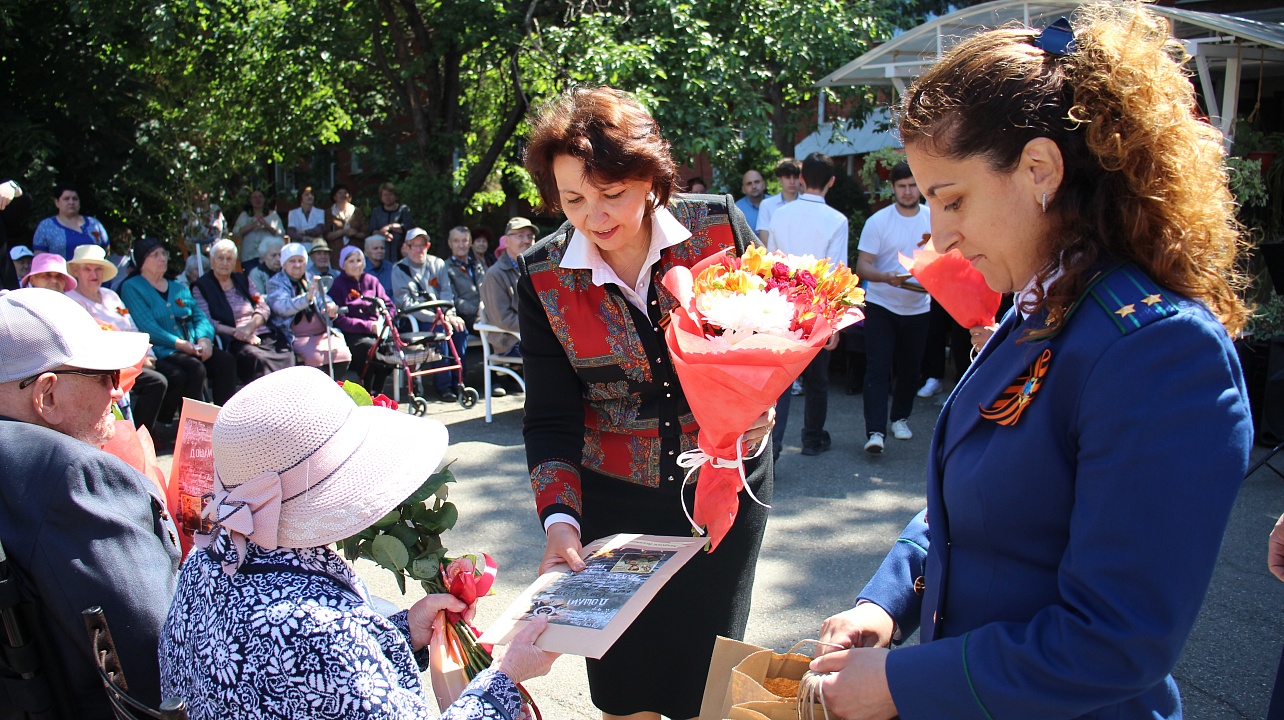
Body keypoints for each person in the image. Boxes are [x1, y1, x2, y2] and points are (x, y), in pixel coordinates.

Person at [811, 8, 1253, 719]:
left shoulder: (1158, 350)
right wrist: (887, 599)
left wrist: (901, 684)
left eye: (951, 200)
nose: (942, 236)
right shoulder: (1042, 304)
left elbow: (1117, 640)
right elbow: (973, 507)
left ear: (1040, 169)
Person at [520, 86, 773, 720]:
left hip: (722, 487)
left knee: (708, 677)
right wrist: (560, 522)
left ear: (649, 177)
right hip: (614, 502)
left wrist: (761, 407)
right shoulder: (544, 274)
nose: (595, 217)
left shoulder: (717, 229)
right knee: (624, 685)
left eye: (612, 194)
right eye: (573, 199)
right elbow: (551, 417)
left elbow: (772, 336)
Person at [158, 366, 558, 720]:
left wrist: (404, 632)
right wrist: (505, 678)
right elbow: (328, 662)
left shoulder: (208, 562)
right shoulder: (320, 629)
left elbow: (318, 689)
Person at [0, 289, 180, 718]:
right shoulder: (74, 478)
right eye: (105, 376)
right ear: (47, 396)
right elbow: (163, 653)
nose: (119, 393)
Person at [766, 152, 848, 459]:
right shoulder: (837, 220)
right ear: (831, 182)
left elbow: (770, 261)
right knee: (817, 379)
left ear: (801, 178)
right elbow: (837, 272)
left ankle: (772, 446)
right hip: (816, 306)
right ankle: (812, 438)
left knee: (780, 381)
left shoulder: (779, 214)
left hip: (781, 302)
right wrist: (835, 323)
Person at [854, 161, 931, 454]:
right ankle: (875, 431)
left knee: (911, 369)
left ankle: (900, 418)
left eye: (913, 185)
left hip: (919, 306)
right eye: (902, 186)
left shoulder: (933, 218)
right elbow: (863, 266)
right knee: (878, 368)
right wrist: (886, 277)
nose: (908, 191)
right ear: (893, 189)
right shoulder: (878, 221)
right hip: (882, 303)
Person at [66, 244, 177, 431]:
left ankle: (157, 432)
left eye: (98, 269)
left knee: (178, 372)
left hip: (133, 357)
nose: (94, 274)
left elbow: (132, 326)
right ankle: (137, 435)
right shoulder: (71, 300)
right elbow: (90, 339)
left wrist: (147, 354)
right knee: (157, 382)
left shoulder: (111, 296)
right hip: (105, 364)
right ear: (76, 271)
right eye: (87, 269)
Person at [120, 236, 238, 406]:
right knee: (194, 368)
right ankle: (191, 425)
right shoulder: (132, 287)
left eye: (163, 254)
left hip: (192, 346)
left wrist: (204, 338)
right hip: (163, 350)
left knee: (225, 361)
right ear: (142, 262)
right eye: (155, 255)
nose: (162, 258)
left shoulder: (177, 286)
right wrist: (180, 344)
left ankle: (225, 418)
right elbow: (147, 326)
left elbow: (199, 316)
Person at [192, 239, 295, 384]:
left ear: (234, 262)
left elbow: (263, 306)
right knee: (257, 358)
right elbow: (207, 321)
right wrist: (239, 333)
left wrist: (249, 328)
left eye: (229, 259)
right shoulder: (201, 287)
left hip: (259, 331)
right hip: (233, 339)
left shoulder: (243, 280)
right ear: (212, 260)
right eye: (220, 258)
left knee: (286, 352)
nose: (225, 263)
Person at [393, 228, 467, 401]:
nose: (419, 250)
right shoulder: (399, 270)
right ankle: (444, 386)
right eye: (414, 246)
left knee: (460, 330)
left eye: (423, 245)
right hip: (418, 319)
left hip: (442, 314)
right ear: (406, 247)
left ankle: (460, 381)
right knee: (439, 335)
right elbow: (406, 305)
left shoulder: (438, 264)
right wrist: (434, 318)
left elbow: (447, 293)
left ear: (428, 246)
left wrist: (449, 314)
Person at [267, 242, 352, 377]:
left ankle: (334, 388)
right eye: (292, 261)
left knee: (343, 354)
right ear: (284, 264)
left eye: (300, 261)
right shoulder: (275, 282)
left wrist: (329, 307)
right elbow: (282, 308)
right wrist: (307, 298)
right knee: (317, 357)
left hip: (321, 333)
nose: (297, 265)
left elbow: (324, 298)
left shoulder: (310, 278)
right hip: (295, 336)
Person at [329, 245, 395, 393]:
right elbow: (339, 319)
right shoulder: (338, 285)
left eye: (359, 260)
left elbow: (390, 306)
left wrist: (383, 322)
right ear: (343, 264)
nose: (356, 265)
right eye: (351, 261)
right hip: (354, 334)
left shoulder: (372, 281)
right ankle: (369, 391)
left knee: (390, 351)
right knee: (371, 350)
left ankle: (378, 391)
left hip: (379, 331)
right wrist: (367, 326)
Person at [479, 217, 534, 358]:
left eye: (530, 236)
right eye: (520, 235)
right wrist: (539, 327)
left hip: (531, 335)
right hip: (509, 341)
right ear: (506, 241)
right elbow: (503, 319)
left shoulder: (535, 269)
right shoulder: (495, 274)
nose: (527, 240)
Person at [32, 182, 109, 260]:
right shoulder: (46, 227)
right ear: (57, 202)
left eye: (75, 199)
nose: (71, 202)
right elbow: (39, 261)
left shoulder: (94, 224)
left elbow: (106, 252)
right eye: (66, 199)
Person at [230, 187, 284, 269]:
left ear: (264, 199)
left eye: (260, 197)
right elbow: (236, 233)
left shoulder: (273, 216)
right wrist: (252, 225)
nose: (257, 199)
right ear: (250, 201)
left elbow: (281, 234)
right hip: (249, 257)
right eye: (254, 197)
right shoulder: (245, 216)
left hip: (269, 257)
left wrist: (267, 226)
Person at [755, 158, 802, 246]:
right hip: (776, 257)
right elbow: (764, 238)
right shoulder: (767, 205)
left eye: (795, 177)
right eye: (787, 177)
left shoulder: (807, 205)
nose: (792, 182)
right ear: (780, 179)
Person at [369, 182, 413, 259]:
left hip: (400, 251)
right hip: (382, 250)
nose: (387, 197)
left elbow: (408, 228)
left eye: (390, 194)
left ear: (395, 196)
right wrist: (383, 234)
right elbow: (372, 230)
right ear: (381, 197)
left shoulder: (403, 209)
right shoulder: (376, 211)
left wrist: (391, 227)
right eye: (385, 195)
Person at [325, 183, 366, 253]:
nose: (343, 195)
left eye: (345, 193)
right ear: (334, 197)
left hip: (355, 249)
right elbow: (326, 235)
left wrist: (354, 234)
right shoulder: (328, 213)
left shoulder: (357, 211)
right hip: (335, 251)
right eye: (340, 193)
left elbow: (364, 234)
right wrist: (343, 232)